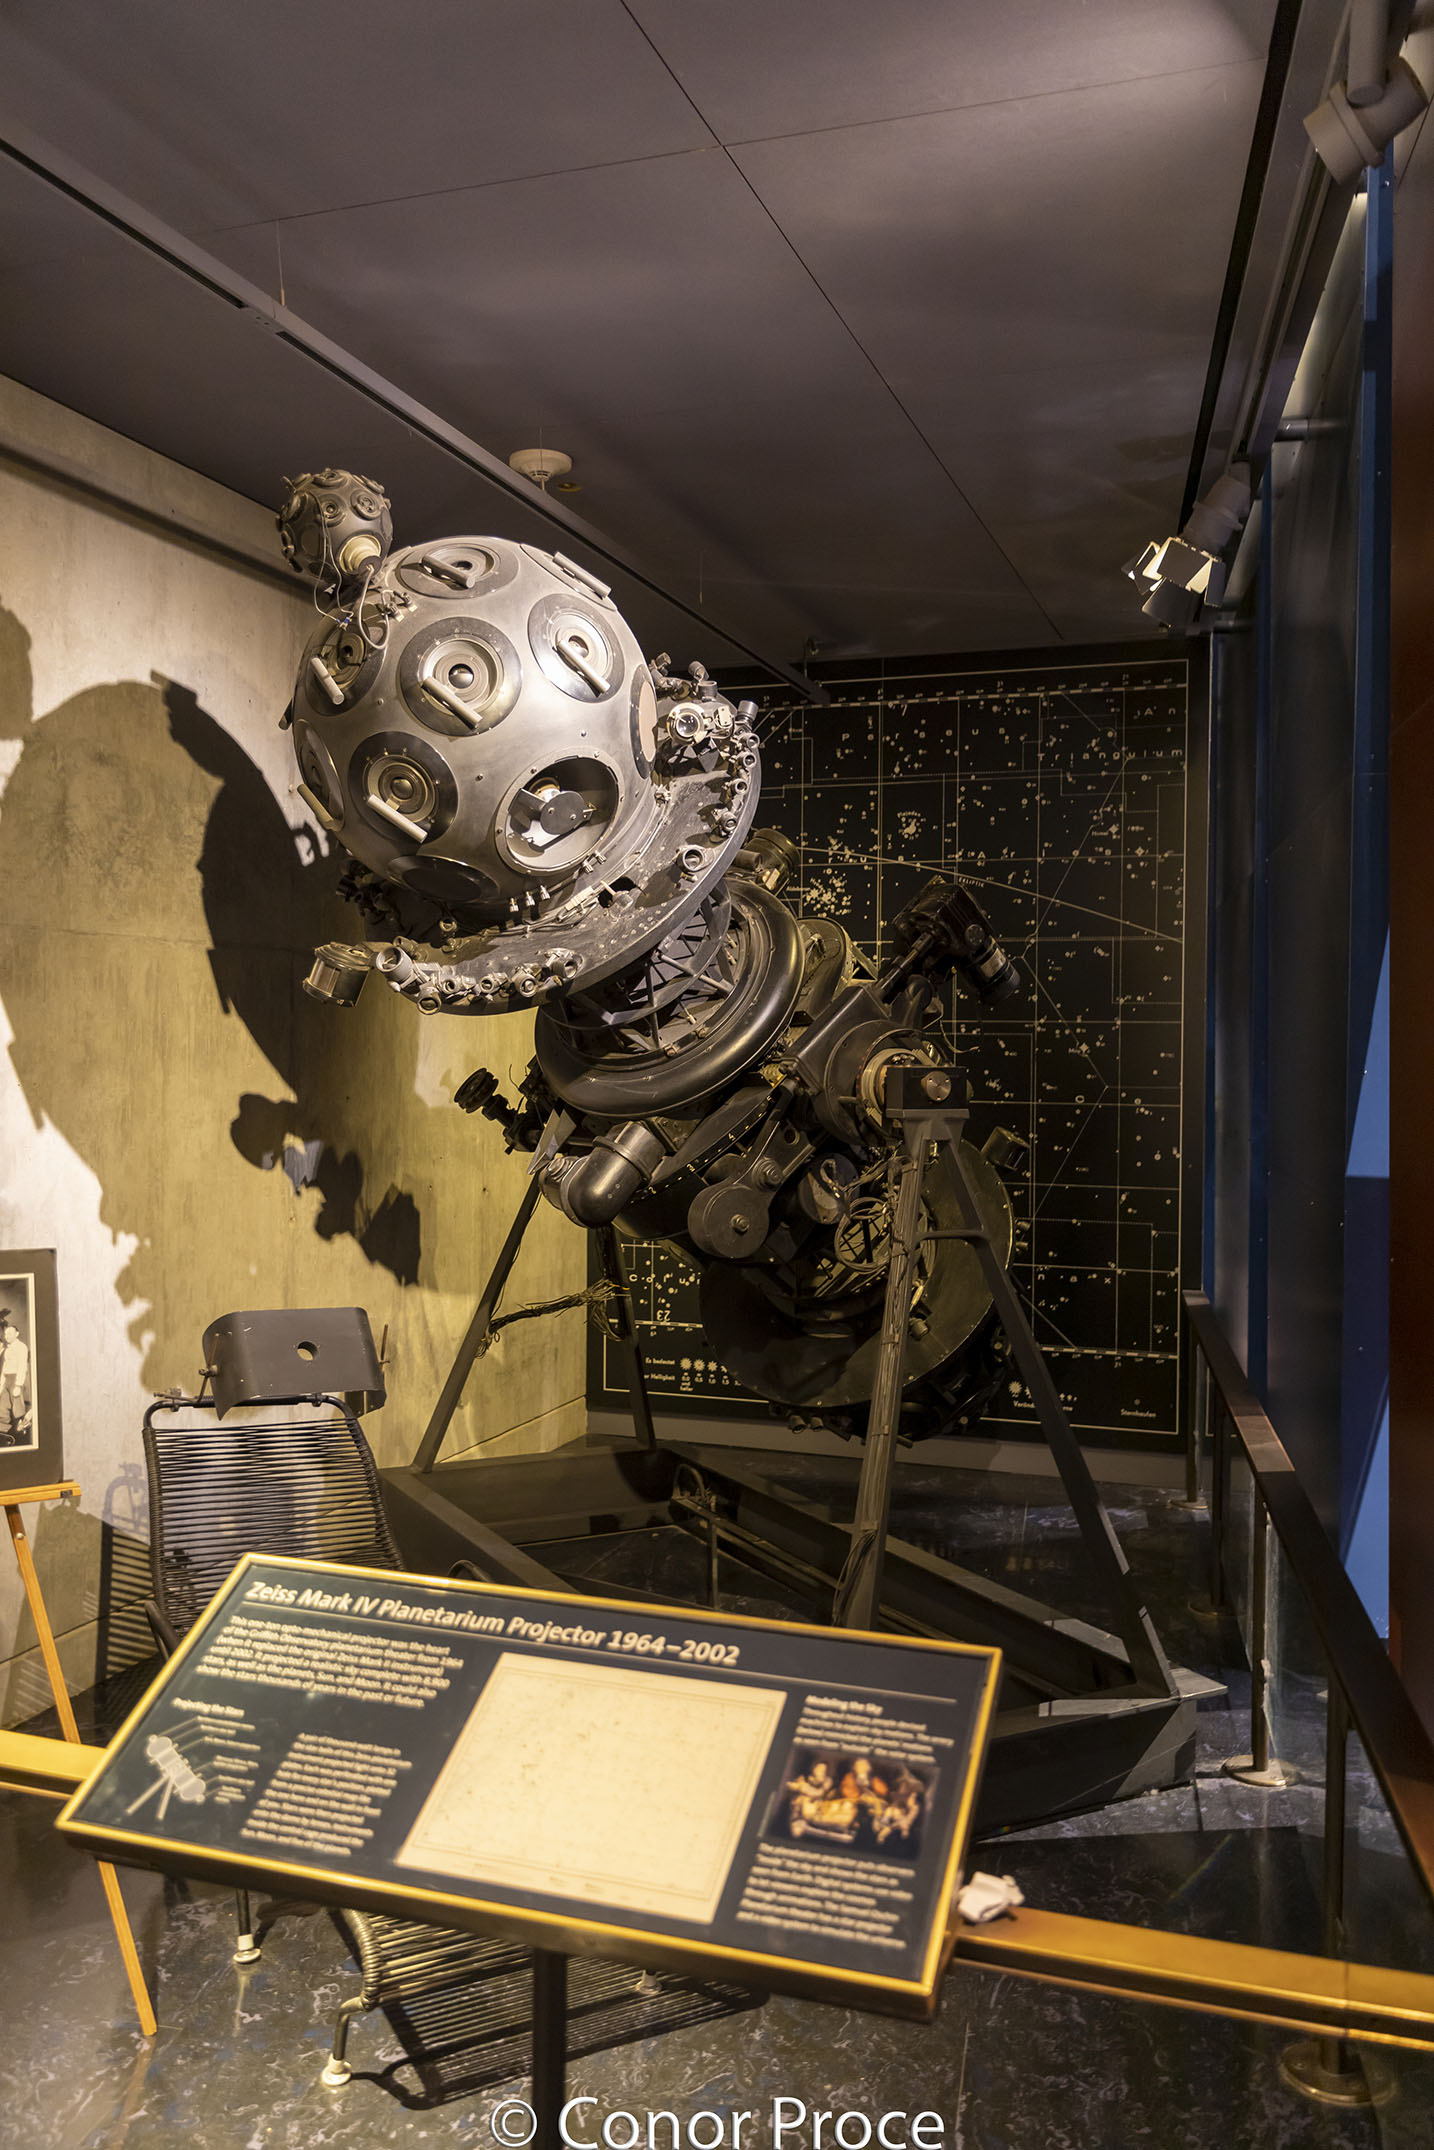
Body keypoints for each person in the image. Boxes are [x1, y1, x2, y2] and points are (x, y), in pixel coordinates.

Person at [0, 1310, 31, 1445]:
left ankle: (22, 1428)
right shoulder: (7, 1349)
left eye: (10, 1334)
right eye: (6, 1334)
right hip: (7, 1379)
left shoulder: (21, 1347)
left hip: (15, 1379)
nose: (7, 1336)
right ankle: (4, 1431)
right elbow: (4, 1368)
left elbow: (22, 1366)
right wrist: (1, 1384)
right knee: (3, 1406)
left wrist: (18, 1384)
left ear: (17, 1334)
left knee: (17, 1407)